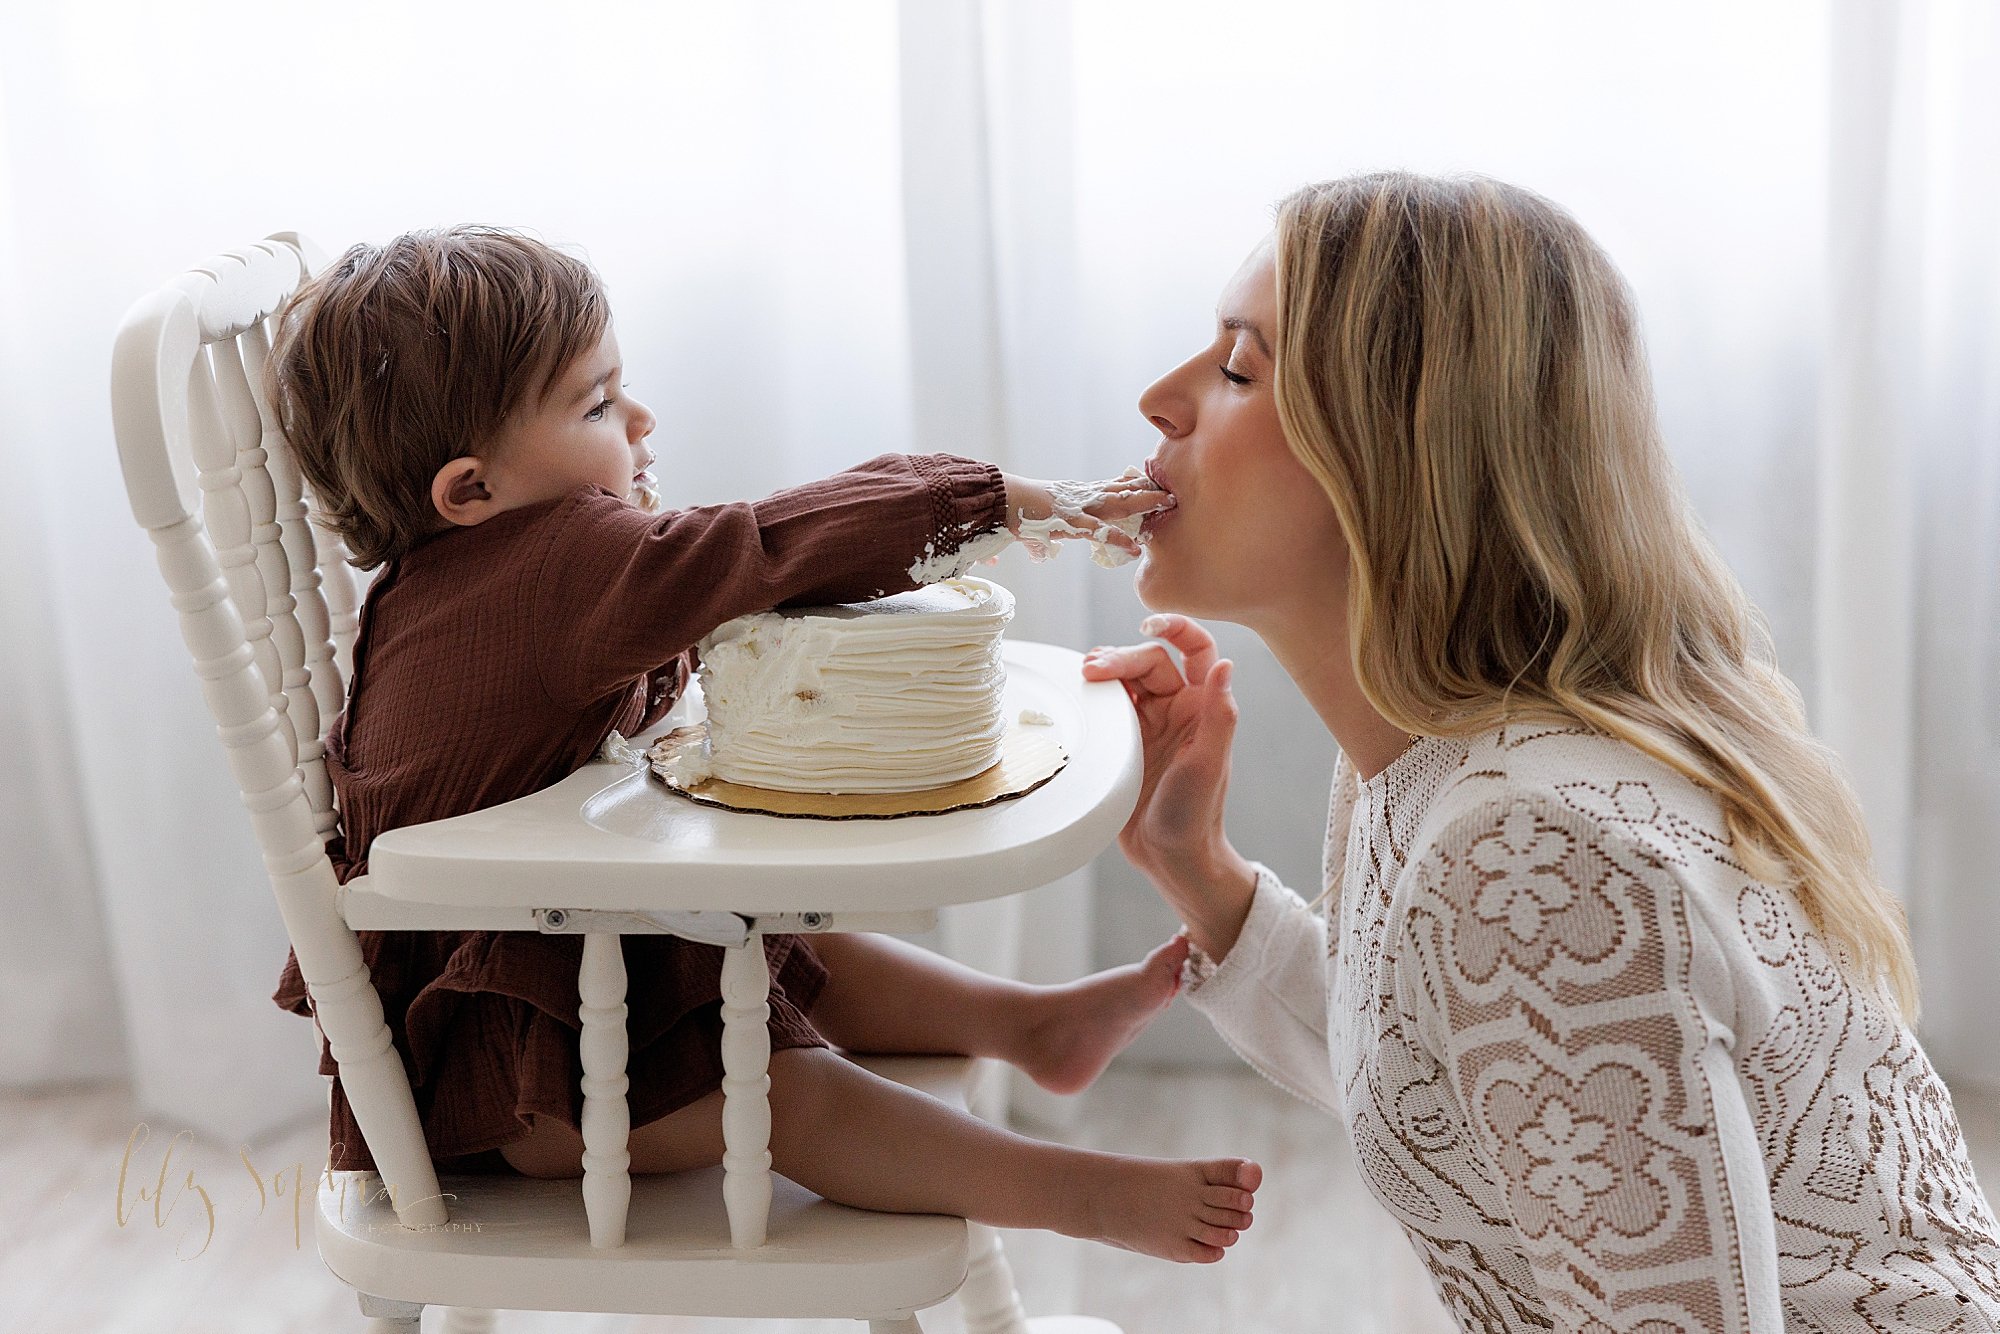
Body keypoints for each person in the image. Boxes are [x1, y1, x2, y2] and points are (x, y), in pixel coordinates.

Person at [1084, 173, 2000, 1324]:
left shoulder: (1523, 843)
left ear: (1400, 444)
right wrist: (1197, 872)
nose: (1157, 399)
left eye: (1235, 370)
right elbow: (1462, 1099)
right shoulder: (1446, 765)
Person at [264, 225, 1258, 1263]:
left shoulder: (462, 577)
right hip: (522, 1082)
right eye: (598, 403)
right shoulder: (556, 565)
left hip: (549, 969)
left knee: (778, 937)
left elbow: (701, 585)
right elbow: (762, 547)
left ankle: (1022, 1024)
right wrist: (1001, 499)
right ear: (470, 489)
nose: (641, 417)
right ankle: (1070, 1191)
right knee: (786, 1094)